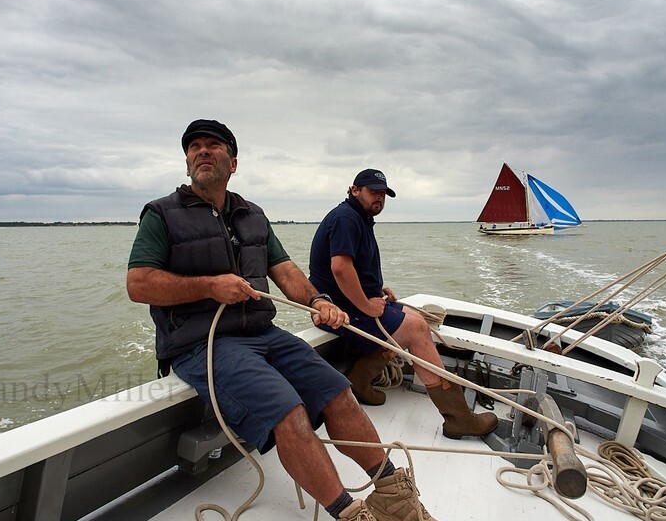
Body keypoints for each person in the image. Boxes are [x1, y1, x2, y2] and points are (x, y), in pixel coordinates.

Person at [127, 121, 435, 521]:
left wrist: (318, 300)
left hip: (263, 333)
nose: (202, 152)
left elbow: (285, 270)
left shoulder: (251, 215)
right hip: (202, 344)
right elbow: (138, 284)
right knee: (287, 410)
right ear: (187, 164)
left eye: (214, 146)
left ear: (232, 163)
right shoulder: (161, 215)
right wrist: (209, 286)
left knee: (337, 391)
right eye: (195, 147)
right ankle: (348, 513)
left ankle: (392, 493)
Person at [309, 169, 498, 439]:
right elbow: (339, 268)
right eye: (373, 191)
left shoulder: (358, 218)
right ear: (354, 190)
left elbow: (354, 267)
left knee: (409, 313)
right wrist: (365, 304)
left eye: (383, 194)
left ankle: (360, 380)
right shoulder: (345, 218)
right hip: (342, 312)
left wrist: (377, 290)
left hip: (352, 304)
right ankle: (458, 418)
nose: (379, 198)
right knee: (416, 329)